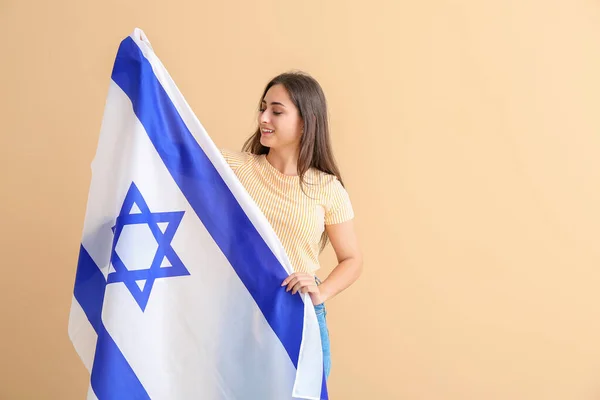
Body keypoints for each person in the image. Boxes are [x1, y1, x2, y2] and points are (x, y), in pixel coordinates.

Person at [220, 71, 363, 379]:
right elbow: (176, 154)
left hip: (298, 317)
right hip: (242, 312)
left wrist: (321, 292)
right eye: (263, 108)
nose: (263, 118)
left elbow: (352, 260)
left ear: (305, 122)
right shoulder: (234, 169)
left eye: (277, 111)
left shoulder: (327, 189)